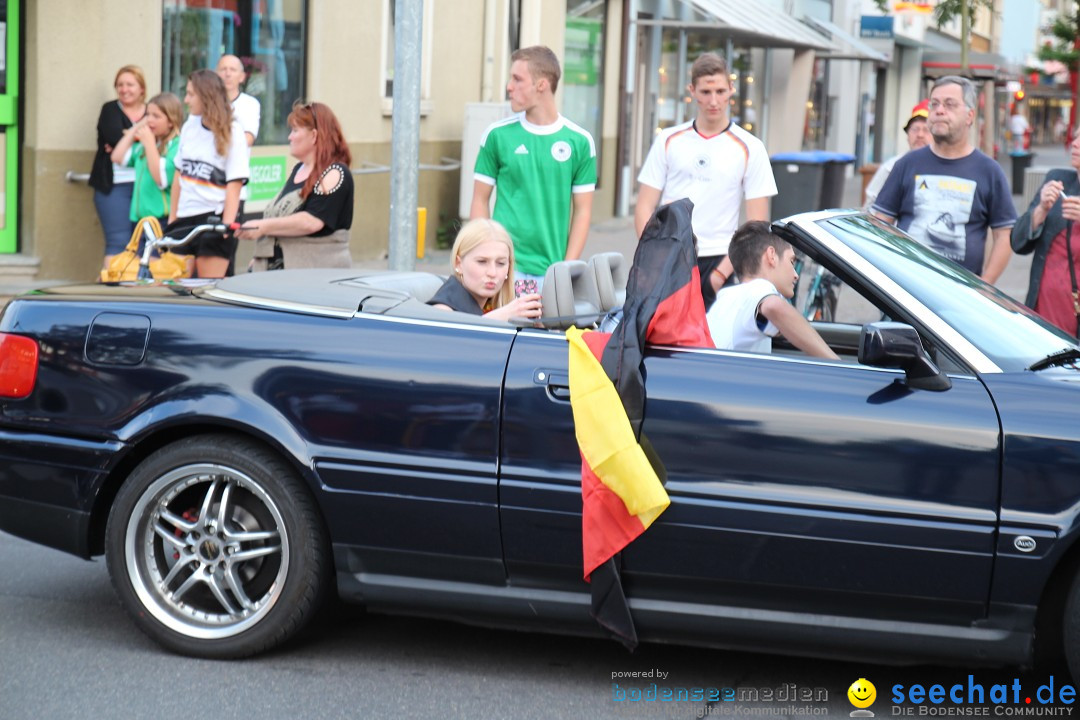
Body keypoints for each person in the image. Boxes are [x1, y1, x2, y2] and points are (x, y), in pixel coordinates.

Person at [635, 52, 777, 310]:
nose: (714, 100)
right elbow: (644, 205)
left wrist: (720, 275)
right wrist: (654, 258)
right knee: (665, 344)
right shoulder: (669, 139)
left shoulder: (750, 147)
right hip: (672, 257)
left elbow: (757, 224)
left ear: (731, 89)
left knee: (715, 344)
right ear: (692, 91)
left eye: (721, 91)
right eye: (706, 92)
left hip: (721, 260)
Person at [470, 45, 596, 287]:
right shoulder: (497, 135)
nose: (509, 86)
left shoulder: (580, 142)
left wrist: (566, 270)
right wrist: (486, 258)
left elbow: (582, 212)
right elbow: (479, 200)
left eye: (517, 79)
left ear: (542, 85)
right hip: (504, 270)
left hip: (552, 272)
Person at [872, 75, 1016, 284]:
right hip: (903, 292)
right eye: (935, 104)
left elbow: (1004, 236)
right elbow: (880, 223)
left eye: (950, 104)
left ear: (970, 116)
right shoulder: (906, 164)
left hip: (958, 298)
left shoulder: (989, 171)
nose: (939, 110)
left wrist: (985, 286)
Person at [236, 102, 354, 270]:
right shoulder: (299, 169)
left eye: (295, 131)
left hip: (316, 278)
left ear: (314, 136)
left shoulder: (335, 172)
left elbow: (312, 221)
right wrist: (261, 258)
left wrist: (263, 227)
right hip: (283, 273)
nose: (290, 137)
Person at [706, 221, 838, 360]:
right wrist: (837, 363)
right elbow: (773, 306)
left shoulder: (725, 297)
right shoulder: (759, 288)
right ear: (771, 255)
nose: (796, 275)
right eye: (792, 261)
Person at [168, 69, 249, 279]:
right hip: (185, 216)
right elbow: (179, 176)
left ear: (206, 96)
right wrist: (172, 219)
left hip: (214, 217)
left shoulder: (234, 132)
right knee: (174, 288)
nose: (186, 100)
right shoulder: (189, 126)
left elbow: (235, 185)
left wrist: (226, 226)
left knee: (207, 288)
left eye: (190, 94)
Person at [1011, 130, 1080, 335]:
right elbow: (1017, 242)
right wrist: (1040, 209)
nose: (1074, 144)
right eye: (1075, 137)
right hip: (1045, 314)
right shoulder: (1058, 180)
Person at [428, 218, 543, 322]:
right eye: (482, 262)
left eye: (500, 263)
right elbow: (453, 342)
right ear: (459, 264)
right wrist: (496, 319)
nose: (492, 273)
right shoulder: (443, 310)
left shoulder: (501, 303)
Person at [89, 65, 147, 268]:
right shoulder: (110, 109)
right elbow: (113, 138)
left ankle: (133, 292)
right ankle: (110, 289)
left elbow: (163, 139)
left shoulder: (152, 111)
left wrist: (128, 136)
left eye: (130, 84)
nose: (124, 89)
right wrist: (144, 137)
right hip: (113, 187)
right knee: (118, 243)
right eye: (120, 85)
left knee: (144, 245)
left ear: (141, 88)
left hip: (145, 187)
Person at [110, 92, 183, 226]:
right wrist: (136, 127)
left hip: (160, 220)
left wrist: (149, 143)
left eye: (156, 116)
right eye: (147, 115)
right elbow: (117, 157)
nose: (149, 120)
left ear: (171, 121)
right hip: (139, 221)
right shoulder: (147, 145)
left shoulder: (177, 146)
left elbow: (161, 179)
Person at [863, 100, 931, 210]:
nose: (920, 135)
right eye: (915, 129)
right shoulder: (892, 167)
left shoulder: (945, 169)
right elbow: (870, 206)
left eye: (926, 130)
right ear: (907, 135)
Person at [216, 54, 260, 147]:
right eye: (223, 69)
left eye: (233, 70)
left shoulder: (250, 104)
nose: (228, 74)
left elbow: (247, 140)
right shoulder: (207, 102)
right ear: (216, 75)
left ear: (242, 77)